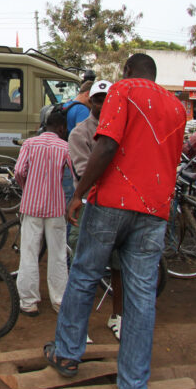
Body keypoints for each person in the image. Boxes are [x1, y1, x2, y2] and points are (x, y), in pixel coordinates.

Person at [44, 53, 185, 389]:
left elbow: (107, 145)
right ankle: (134, 385)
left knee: (85, 275)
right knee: (141, 295)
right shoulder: (178, 107)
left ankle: (66, 354)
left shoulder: (123, 91)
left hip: (113, 201)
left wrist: (78, 194)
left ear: (127, 72)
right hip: (155, 209)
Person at [67, 79, 123, 340]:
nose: (102, 103)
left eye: (107, 98)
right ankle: (80, 328)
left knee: (118, 267)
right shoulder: (80, 132)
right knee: (83, 269)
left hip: (119, 208)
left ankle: (118, 317)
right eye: (98, 99)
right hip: (91, 206)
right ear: (91, 101)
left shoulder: (123, 126)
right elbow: (83, 172)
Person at [13, 109, 72, 317]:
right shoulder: (65, 146)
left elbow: (19, 171)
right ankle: (59, 300)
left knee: (29, 252)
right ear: (62, 128)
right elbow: (76, 175)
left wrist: (26, 188)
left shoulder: (29, 144)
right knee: (57, 254)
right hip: (56, 207)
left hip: (31, 205)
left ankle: (28, 301)